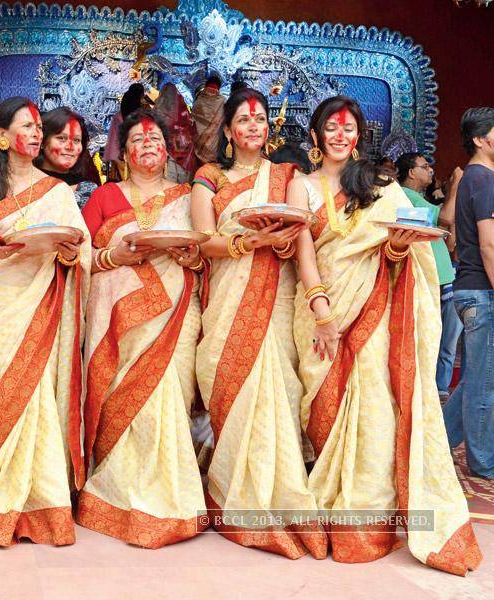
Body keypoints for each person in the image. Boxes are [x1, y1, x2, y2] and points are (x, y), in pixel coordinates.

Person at [287, 95, 481, 575]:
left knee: (373, 402)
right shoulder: (301, 187)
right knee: (323, 404)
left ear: (358, 137)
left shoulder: (378, 186)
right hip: (318, 308)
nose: (339, 135)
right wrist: (322, 309)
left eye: (348, 128)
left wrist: (395, 250)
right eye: (330, 128)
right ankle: (326, 498)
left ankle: (365, 512)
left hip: (373, 308)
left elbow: (401, 251)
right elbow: (303, 252)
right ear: (315, 136)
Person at [191, 88, 327, 560]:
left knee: (275, 392)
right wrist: (249, 243)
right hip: (227, 298)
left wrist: (283, 245)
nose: (254, 126)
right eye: (244, 120)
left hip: (276, 297)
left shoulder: (287, 176)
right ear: (228, 130)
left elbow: (297, 231)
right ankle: (235, 496)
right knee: (234, 391)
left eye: (261, 118)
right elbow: (201, 242)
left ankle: (280, 496)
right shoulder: (208, 178)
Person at [0, 97, 91, 547]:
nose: (35, 134)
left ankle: (38, 504)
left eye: (37, 128)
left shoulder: (58, 192)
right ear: (2, 135)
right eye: (26, 127)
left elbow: (81, 250)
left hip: (38, 306)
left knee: (34, 401)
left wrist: (68, 252)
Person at [77, 109, 205, 548]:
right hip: (119, 319)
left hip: (175, 313)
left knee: (167, 395)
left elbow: (205, 256)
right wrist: (115, 258)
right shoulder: (104, 197)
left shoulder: (189, 197)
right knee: (123, 398)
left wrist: (189, 258)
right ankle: (114, 491)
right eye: (138, 139)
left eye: (155, 139)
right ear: (124, 151)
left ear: (167, 149)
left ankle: (171, 498)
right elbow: (79, 260)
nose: (148, 145)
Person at [443, 107, 494, 478]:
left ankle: (439, 443)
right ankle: (482, 462)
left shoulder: (474, 178)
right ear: (479, 139)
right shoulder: (484, 180)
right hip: (482, 290)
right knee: (483, 381)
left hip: (470, 289)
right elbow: (489, 245)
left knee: (476, 376)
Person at [395, 152, 462, 399]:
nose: (431, 171)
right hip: (433, 279)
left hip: (442, 278)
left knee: (444, 341)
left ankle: (439, 389)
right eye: (425, 167)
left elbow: (448, 227)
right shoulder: (407, 195)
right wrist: (454, 184)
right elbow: (445, 217)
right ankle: (433, 390)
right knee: (437, 340)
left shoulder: (419, 198)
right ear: (411, 172)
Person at [35, 107, 100, 208]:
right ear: (42, 142)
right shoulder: (23, 184)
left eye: (77, 140)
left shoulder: (90, 190)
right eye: (61, 138)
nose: (70, 147)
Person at [154, 83, 197, 182]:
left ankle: (172, 192)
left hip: (169, 148)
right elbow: (190, 122)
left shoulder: (159, 106)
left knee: (171, 175)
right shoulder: (180, 102)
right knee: (183, 175)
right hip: (184, 146)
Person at [104, 83, 147, 180]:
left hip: (120, 153)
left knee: (125, 181)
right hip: (136, 153)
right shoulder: (141, 116)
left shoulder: (119, 116)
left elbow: (114, 138)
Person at [191, 74, 226, 165]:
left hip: (197, 142)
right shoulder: (222, 101)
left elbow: (193, 119)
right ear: (219, 87)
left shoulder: (199, 100)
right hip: (213, 144)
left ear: (206, 85)